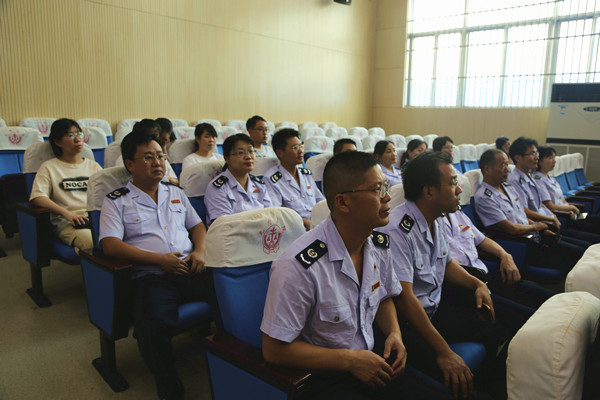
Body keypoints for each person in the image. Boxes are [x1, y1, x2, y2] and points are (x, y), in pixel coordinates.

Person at [261, 151, 451, 400]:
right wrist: (351, 361)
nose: (387, 198)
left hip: (371, 360)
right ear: (343, 202)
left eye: (386, 187)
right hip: (325, 377)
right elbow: (274, 351)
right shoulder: (298, 266)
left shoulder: (378, 244)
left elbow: (384, 297)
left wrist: (394, 332)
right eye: (377, 190)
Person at [99, 129, 211, 400]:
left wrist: (200, 251)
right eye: (148, 157)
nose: (158, 162)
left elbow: (197, 226)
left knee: (235, 299)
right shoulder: (117, 201)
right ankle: (170, 389)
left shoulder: (176, 193)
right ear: (130, 164)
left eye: (161, 156)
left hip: (192, 268)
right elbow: (110, 244)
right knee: (151, 328)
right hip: (152, 277)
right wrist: (159, 261)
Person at [379, 151, 500, 398]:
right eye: (453, 184)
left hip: (434, 310)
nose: (459, 190)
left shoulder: (436, 218)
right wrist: (443, 351)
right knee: (444, 379)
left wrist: (477, 284)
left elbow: (446, 263)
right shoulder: (397, 230)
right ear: (429, 192)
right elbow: (405, 297)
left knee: (493, 328)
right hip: (410, 324)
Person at [474, 149, 586, 274]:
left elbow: (520, 215)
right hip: (521, 246)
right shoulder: (484, 197)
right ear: (487, 169)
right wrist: (536, 227)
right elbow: (511, 228)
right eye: (503, 165)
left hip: (537, 238)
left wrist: (541, 229)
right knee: (578, 256)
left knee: (583, 248)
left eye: (507, 164)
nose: (507, 169)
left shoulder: (507, 187)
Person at [508, 137, 600, 244]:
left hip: (550, 222)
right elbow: (524, 211)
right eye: (532, 154)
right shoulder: (515, 180)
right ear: (518, 158)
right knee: (587, 244)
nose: (536, 157)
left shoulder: (529, 176)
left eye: (536, 153)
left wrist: (552, 216)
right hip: (540, 229)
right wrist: (551, 219)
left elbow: (540, 204)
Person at [29, 118, 102, 252]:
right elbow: (38, 197)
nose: (78, 139)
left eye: (79, 133)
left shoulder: (94, 166)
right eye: (70, 135)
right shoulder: (49, 167)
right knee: (92, 242)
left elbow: (106, 192)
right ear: (57, 142)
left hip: (96, 218)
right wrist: (67, 214)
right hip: (69, 222)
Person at [204, 134, 272, 225]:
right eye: (240, 153)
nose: (248, 157)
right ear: (227, 158)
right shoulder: (217, 188)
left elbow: (271, 215)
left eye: (251, 151)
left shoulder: (259, 184)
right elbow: (224, 226)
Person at [264, 129, 325, 231]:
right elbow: (276, 213)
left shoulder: (306, 174)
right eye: (295, 147)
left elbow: (321, 202)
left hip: (317, 226)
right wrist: (304, 222)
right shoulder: (271, 179)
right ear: (280, 153)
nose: (300, 151)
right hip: (295, 230)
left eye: (301, 146)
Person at [535, 146, 600, 233]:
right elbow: (550, 206)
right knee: (594, 228)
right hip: (562, 216)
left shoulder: (551, 178)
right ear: (540, 161)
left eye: (554, 158)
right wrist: (571, 208)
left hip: (569, 213)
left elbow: (562, 199)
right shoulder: (539, 180)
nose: (554, 161)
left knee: (594, 219)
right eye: (550, 158)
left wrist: (569, 207)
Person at [115, 119, 179, 185]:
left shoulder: (160, 156)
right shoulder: (126, 159)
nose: (157, 163)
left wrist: (163, 148)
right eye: (148, 158)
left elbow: (176, 181)